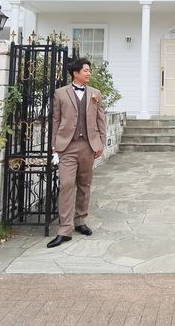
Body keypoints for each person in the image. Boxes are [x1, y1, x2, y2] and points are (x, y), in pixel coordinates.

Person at [46, 58, 106, 248]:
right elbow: (56, 121)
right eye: (86, 70)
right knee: (66, 185)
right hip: (67, 146)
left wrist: (101, 143)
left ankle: (80, 220)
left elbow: (101, 120)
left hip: (88, 145)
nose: (89, 73)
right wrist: (54, 147)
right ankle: (65, 229)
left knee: (84, 184)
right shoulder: (60, 93)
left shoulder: (95, 94)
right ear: (76, 73)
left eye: (89, 70)